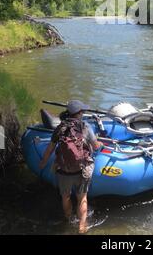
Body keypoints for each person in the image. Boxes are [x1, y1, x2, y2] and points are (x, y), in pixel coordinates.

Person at [39, 100, 103, 234]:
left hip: (64, 170)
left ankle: (68, 220)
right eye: (82, 111)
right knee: (82, 198)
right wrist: (100, 143)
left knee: (65, 197)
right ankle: (82, 226)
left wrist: (43, 163)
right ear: (79, 113)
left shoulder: (60, 128)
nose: (83, 113)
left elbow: (50, 149)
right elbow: (96, 146)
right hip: (81, 169)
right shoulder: (86, 127)